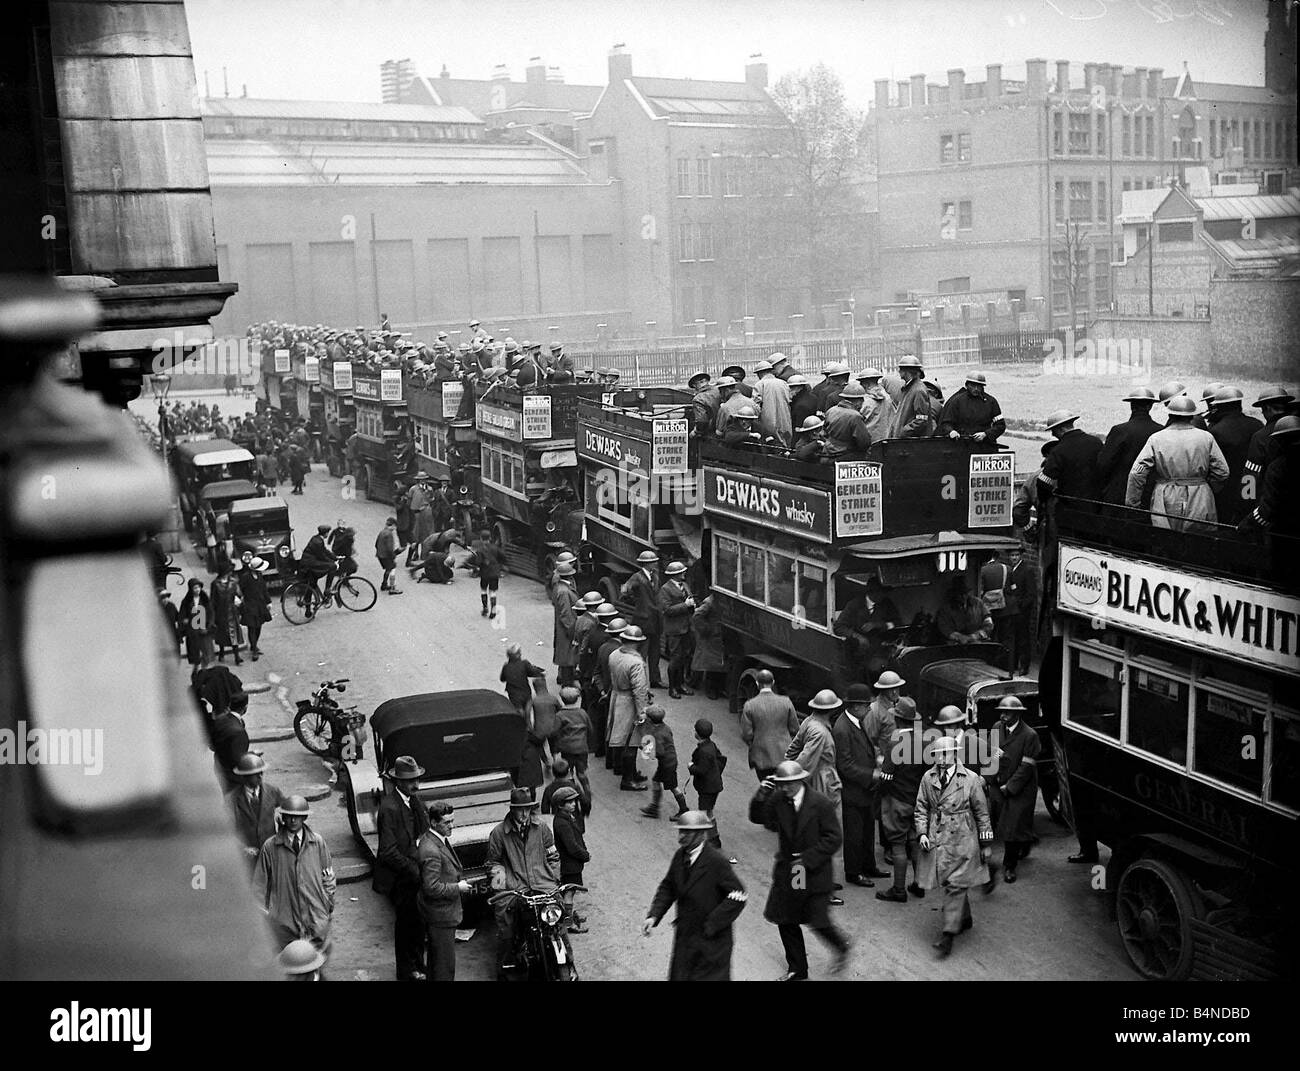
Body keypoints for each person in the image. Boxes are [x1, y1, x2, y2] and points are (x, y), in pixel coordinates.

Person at [748, 760, 851, 981]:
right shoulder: (778, 799)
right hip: (791, 870)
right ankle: (798, 969)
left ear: (800, 781)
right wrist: (761, 795)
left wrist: (808, 859)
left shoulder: (820, 804)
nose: (784, 788)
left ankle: (841, 947)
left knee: (818, 919)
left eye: (788, 784)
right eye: (781, 784)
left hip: (813, 870)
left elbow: (834, 838)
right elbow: (759, 818)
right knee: (786, 918)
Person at [642, 812, 747, 981]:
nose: (681, 836)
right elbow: (669, 886)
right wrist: (653, 916)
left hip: (712, 944)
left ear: (701, 834)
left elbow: (739, 895)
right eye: (680, 831)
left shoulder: (716, 861)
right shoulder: (680, 856)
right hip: (686, 938)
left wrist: (712, 924)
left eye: (686, 832)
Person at [914, 737, 994, 958]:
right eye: (937, 755)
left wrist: (986, 844)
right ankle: (965, 918)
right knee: (952, 882)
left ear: (955, 754)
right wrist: (921, 832)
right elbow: (920, 807)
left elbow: (982, 813)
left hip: (964, 840)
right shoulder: (927, 778)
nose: (940, 759)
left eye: (945, 754)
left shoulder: (971, 779)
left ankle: (948, 934)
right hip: (937, 839)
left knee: (955, 884)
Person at [485, 789, 567, 978]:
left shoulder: (542, 828)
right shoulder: (498, 833)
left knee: (558, 921)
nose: (524, 814)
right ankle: (505, 968)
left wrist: (553, 879)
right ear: (512, 810)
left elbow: (553, 855)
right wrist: (502, 887)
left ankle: (566, 962)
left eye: (527, 809)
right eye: (520, 810)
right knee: (506, 926)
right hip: (515, 888)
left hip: (543, 884)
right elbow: (492, 863)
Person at [1127, 395, 1230, 532]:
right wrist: (1206, 486)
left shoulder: (1156, 438)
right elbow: (1223, 472)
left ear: (1170, 415)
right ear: (1191, 416)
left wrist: (1133, 503)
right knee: (1199, 539)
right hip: (1199, 494)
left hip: (1165, 494)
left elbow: (1137, 472)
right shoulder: (1206, 437)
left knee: (1165, 538)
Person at [372, 755, 430, 981]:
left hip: (415, 873)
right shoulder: (389, 808)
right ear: (398, 782)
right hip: (401, 879)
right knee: (406, 926)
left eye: (416, 779)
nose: (415, 784)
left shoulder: (414, 801)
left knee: (418, 923)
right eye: (409, 781)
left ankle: (417, 965)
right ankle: (406, 971)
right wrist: (414, 870)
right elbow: (387, 852)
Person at [252, 795, 336, 951]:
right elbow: (259, 886)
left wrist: (327, 902)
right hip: (285, 925)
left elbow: (328, 876)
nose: (292, 821)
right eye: (289, 816)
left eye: (297, 817)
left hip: (315, 919)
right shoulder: (270, 847)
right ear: (283, 817)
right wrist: (268, 916)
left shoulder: (317, 843)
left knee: (316, 963)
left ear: (304, 817)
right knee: (288, 966)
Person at [834, 683, 892, 887]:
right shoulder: (842, 729)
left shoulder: (857, 722)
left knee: (868, 830)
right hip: (854, 790)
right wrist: (873, 774)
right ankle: (853, 872)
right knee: (854, 834)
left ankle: (868, 866)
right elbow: (845, 765)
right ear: (856, 706)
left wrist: (874, 758)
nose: (870, 709)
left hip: (865, 790)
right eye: (867, 705)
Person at [875, 697, 926, 902]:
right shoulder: (923, 739)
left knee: (898, 844)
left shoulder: (895, 742)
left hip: (897, 800)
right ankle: (919, 884)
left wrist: (881, 792)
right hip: (917, 799)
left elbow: (886, 776)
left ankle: (898, 890)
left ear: (898, 719)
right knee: (914, 841)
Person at [984, 696, 1040, 884]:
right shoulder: (996, 728)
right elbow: (991, 754)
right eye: (1001, 712)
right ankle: (1026, 840)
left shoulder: (1029, 735)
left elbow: (1026, 767)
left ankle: (1010, 866)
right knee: (999, 821)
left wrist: (1010, 787)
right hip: (997, 784)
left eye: (1007, 712)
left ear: (1017, 714)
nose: (1002, 715)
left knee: (1012, 827)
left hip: (1019, 789)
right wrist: (989, 778)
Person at [416, 799, 470, 981]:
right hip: (440, 916)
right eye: (447, 822)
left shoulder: (435, 840)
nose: (451, 826)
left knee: (436, 965)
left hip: (440, 914)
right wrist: (458, 887)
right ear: (433, 822)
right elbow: (431, 887)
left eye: (452, 820)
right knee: (444, 970)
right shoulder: (431, 849)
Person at [786, 691, 844, 842]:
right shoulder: (820, 732)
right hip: (822, 780)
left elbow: (793, 748)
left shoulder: (808, 721)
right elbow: (806, 761)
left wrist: (786, 766)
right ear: (831, 710)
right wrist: (791, 780)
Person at [1208, 386, 1264, 525]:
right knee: (1247, 519)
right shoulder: (1257, 425)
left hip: (1227, 489)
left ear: (1220, 407)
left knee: (1227, 524)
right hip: (1251, 483)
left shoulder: (1216, 431)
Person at [1097, 387, 1161, 506]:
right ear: (1150, 406)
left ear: (1132, 406)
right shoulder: (1160, 431)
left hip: (1120, 493)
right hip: (1151, 494)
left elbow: (1104, 463)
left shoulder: (1119, 431)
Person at [608, 624, 652, 790]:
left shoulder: (614, 654)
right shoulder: (636, 663)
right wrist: (642, 712)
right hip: (629, 704)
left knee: (620, 739)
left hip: (617, 696)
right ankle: (627, 780)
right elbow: (639, 691)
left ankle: (630, 772)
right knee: (631, 742)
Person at [740, 669, 800, 781]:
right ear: (773, 682)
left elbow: (746, 734)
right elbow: (795, 729)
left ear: (757, 684)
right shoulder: (786, 701)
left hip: (761, 758)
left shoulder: (750, 705)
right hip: (784, 755)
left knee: (767, 788)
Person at [225, 751, 286, 861]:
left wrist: (283, 824)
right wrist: (242, 848)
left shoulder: (272, 791)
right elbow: (226, 829)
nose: (260, 776)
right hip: (246, 856)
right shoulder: (231, 799)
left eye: (261, 772)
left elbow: (287, 808)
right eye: (255, 774)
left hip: (271, 852)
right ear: (244, 777)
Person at [1037, 409, 1103, 504]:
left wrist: (1045, 500)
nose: (1052, 434)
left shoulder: (1058, 450)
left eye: (1053, 430)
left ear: (1061, 429)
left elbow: (1044, 481)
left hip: (1070, 506)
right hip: (1095, 504)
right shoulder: (1096, 442)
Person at [620, 550, 663, 688]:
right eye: (653, 562)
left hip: (655, 619)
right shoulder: (637, 577)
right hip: (643, 620)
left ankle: (655, 680)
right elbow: (624, 591)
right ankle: (640, 680)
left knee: (655, 652)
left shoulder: (655, 576)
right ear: (646, 563)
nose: (655, 564)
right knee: (642, 652)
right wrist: (637, 602)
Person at [639, 705, 689, 821]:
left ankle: (684, 810)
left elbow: (659, 752)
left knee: (673, 787)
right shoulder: (665, 727)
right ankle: (654, 808)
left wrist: (646, 750)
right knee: (656, 781)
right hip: (670, 761)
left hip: (667, 764)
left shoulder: (657, 734)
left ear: (650, 720)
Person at [550, 786, 589, 931]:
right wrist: (584, 855)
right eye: (569, 802)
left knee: (570, 890)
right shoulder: (561, 822)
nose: (573, 804)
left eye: (574, 801)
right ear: (560, 805)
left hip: (572, 863)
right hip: (569, 863)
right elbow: (571, 846)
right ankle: (568, 923)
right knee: (569, 891)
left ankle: (570, 916)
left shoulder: (567, 817)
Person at [548, 687, 594, 804]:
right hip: (582, 748)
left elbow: (554, 733)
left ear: (562, 699)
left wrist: (556, 748)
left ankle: (571, 793)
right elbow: (590, 729)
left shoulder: (560, 715)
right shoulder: (583, 713)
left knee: (568, 773)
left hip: (567, 749)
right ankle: (587, 792)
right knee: (582, 773)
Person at [657, 561, 696, 698]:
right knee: (675, 659)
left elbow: (689, 599)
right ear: (675, 574)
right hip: (674, 630)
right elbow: (667, 610)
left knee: (684, 657)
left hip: (686, 628)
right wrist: (685, 605)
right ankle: (672, 687)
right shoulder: (665, 589)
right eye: (682, 572)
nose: (684, 573)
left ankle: (680, 685)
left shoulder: (684, 585)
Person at [936, 371, 1005, 442]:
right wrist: (951, 432)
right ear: (967, 385)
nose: (976, 389)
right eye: (973, 385)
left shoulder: (990, 402)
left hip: (985, 445)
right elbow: (946, 423)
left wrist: (985, 434)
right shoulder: (957, 401)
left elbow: (1000, 425)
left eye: (979, 386)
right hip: (962, 444)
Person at [208, 691, 251, 792]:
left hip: (219, 767)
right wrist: (252, 755)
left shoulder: (220, 720)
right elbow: (238, 761)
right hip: (233, 776)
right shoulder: (238, 731)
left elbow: (211, 745)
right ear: (245, 707)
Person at [822, 382, 873, 460]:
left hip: (828, 453)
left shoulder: (831, 410)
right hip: (846, 455)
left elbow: (824, 433)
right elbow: (864, 442)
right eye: (862, 400)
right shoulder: (855, 416)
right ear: (858, 401)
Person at [550, 561, 581, 686]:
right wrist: (573, 632)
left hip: (564, 630)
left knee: (567, 658)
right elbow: (566, 615)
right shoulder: (564, 591)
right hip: (567, 631)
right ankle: (567, 687)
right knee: (568, 659)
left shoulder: (560, 587)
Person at [936, 576, 992, 645]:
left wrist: (976, 636)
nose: (963, 596)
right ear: (954, 594)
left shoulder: (978, 603)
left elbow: (989, 623)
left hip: (978, 642)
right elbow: (945, 628)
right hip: (956, 645)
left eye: (965, 593)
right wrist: (960, 637)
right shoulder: (946, 609)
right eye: (960, 594)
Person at [236, 556, 272, 661]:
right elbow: (240, 590)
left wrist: (268, 601)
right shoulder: (246, 577)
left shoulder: (260, 576)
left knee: (259, 626)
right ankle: (254, 649)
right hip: (250, 605)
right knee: (252, 627)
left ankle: (254, 645)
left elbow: (264, 589)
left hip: (260, 605)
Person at [689, 595, 726, 700]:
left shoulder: (717, 600)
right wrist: (706, 629)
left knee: (719, 664)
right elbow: (697, 616)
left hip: (719, 637)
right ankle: (711, 689)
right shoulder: (709, 602)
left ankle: (717, 688)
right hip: (712, 637)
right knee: (712, 665)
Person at [891, 356, 934, 437]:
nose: (899, 371)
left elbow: (921, 419)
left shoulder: (918, 390)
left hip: (913, 443)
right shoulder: (908, 388)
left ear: (907, 371)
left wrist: (903, 432)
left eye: (901, 368)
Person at [209, 563, 244, 665]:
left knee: (234, 635)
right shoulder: (215, 584)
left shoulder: (233, 582)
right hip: (220, 612)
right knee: (222, 634)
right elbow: (213, 600)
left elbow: (239, 594)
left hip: (232, 612)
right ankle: (221, 652)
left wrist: (239, 603)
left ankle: (237, 656)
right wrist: (212, 615)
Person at [177, 578, 215, 667]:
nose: (197, 590)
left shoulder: (205, 600)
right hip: (193, 631)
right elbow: (182, 615)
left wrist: (208, 626)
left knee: (206, 652)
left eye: (198, 587)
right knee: (194, 653)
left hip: (203, 630)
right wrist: (184, 622)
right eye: (195, 588)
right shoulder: (186, 601)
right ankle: (196, 668)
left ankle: (204, 669)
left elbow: (211, 613)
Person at [754, 358, 793, 445]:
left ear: (760, 373)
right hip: (785, 420)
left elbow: (756, 407)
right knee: (786, 445)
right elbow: (790, 400)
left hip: (768, 422)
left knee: (773, 446)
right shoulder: (783, 383)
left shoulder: (760, 385)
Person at [299, 524, 337, 609]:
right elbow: (322, 556)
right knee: (333, 567)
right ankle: (327, 590)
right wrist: (333, 562)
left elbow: (324, 551)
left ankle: (308, 612)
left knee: (311, 585)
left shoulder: (316, 538)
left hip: (306, 565)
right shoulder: (318, 541)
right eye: (328, 532)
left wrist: (335, 557)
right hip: (310, 565)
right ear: (326, 533)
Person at [856, 367, 898, 443]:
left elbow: (857, 422)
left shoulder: (866, 401)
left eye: (861, 383)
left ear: (866, 384)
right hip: (886, 440)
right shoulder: (887, 397)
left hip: (870, 443)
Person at [470, 529, 503, 618]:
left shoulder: (480, 550)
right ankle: (493, 611)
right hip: (494, 573)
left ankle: (485, 608)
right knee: (493, 592)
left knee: (483, 590)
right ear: (490, 538)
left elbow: (478, 562)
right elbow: (502, 557)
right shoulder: (495, 548)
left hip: (484, 574)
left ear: (481, 538)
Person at [375, 516, 404, 595]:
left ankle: (384, 584)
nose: (395, 529)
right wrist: (393, 555)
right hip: (386, 555)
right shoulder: (389, 534)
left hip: (380, 555)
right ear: (393, 525)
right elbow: (389, 548)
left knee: (388, 569)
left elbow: (376, 544)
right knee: (392, 569)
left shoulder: (382, 532)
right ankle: (392, 588)